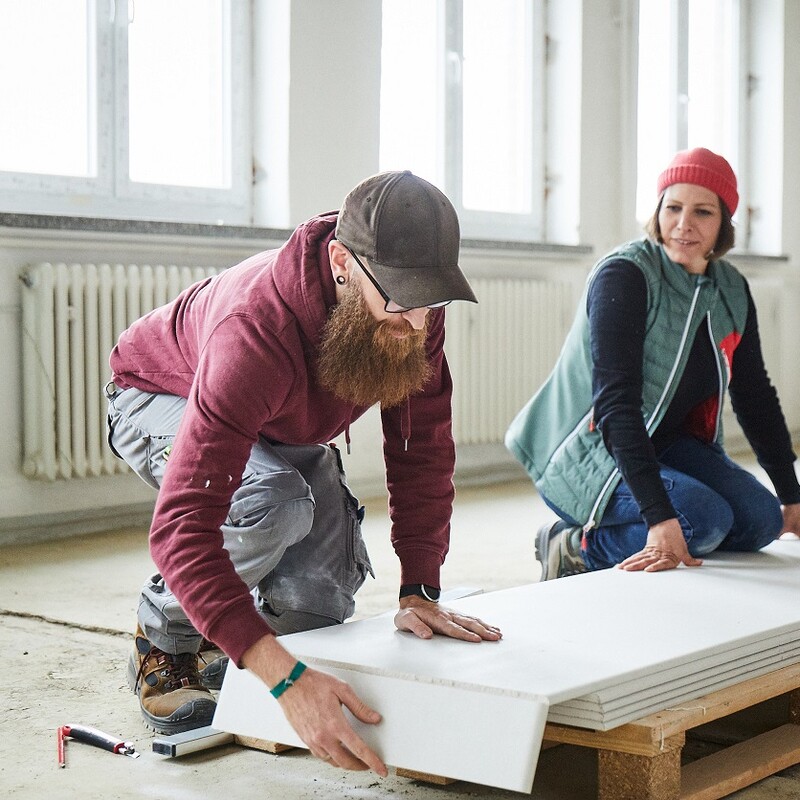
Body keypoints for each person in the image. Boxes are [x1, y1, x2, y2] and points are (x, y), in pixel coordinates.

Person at [106, 170, 501, 775]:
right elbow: (182, 525)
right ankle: (164, 641)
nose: (416, 321)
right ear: (342, 261)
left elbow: (421, 447)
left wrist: (420, 588)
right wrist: (284, 680)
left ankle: (222, 632)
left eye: (431, 300)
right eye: (399, 297)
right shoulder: (255, 329)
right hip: (156, 394)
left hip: (274, 423)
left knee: (317, 608)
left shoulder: (413, 311)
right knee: (276, 502)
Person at [506, 147, 800, 580]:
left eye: (702, 212)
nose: (683, 224)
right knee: (702, 521)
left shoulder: (731, 290)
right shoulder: (625, 275)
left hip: (669, 445)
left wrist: (790, 494)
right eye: (673, 207)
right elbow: (615, 405)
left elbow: (755, 395)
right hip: (588, 448)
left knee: (763, 520)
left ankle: (667, 522)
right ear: (658, 210)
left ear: (723, 225)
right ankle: (574, 546)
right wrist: (660, 517)